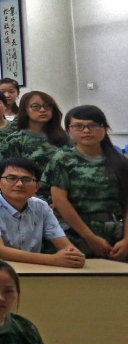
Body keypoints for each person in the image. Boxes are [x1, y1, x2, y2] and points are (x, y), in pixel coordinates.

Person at [44, 105, 128, 260]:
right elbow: (60, 201)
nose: (86, 131)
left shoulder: (120, 162)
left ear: (104, 128)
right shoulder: (62, 159)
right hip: (76, 235)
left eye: (93, 125)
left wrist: (126, 240)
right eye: (78, 126)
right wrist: (91, 239)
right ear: (69, 130)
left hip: (116, 235)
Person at [0, 157, 85, 268]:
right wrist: (53, 259)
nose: (19, 184)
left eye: (27, 180)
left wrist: (74, 256)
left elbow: (65, 245)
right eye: (11, 178)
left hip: (34, 270)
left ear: (36, 187)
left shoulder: (41, 207)